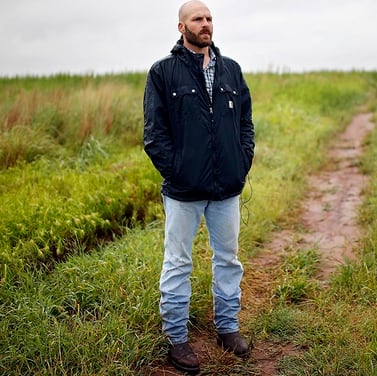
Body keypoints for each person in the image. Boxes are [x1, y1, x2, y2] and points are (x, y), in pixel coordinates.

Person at [143, 1, 255, 373]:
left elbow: (245, 124)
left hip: (226, 188)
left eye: (209, 18)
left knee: (228, 259)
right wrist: (178, 173)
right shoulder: (163, 73)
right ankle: (177, 339)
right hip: (183, 192)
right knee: (178, 263)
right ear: (181, 27)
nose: (206, 24)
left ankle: (227, 328)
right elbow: (154, 135)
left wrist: (241, 163)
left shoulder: (231, 70)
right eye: (197, 19)